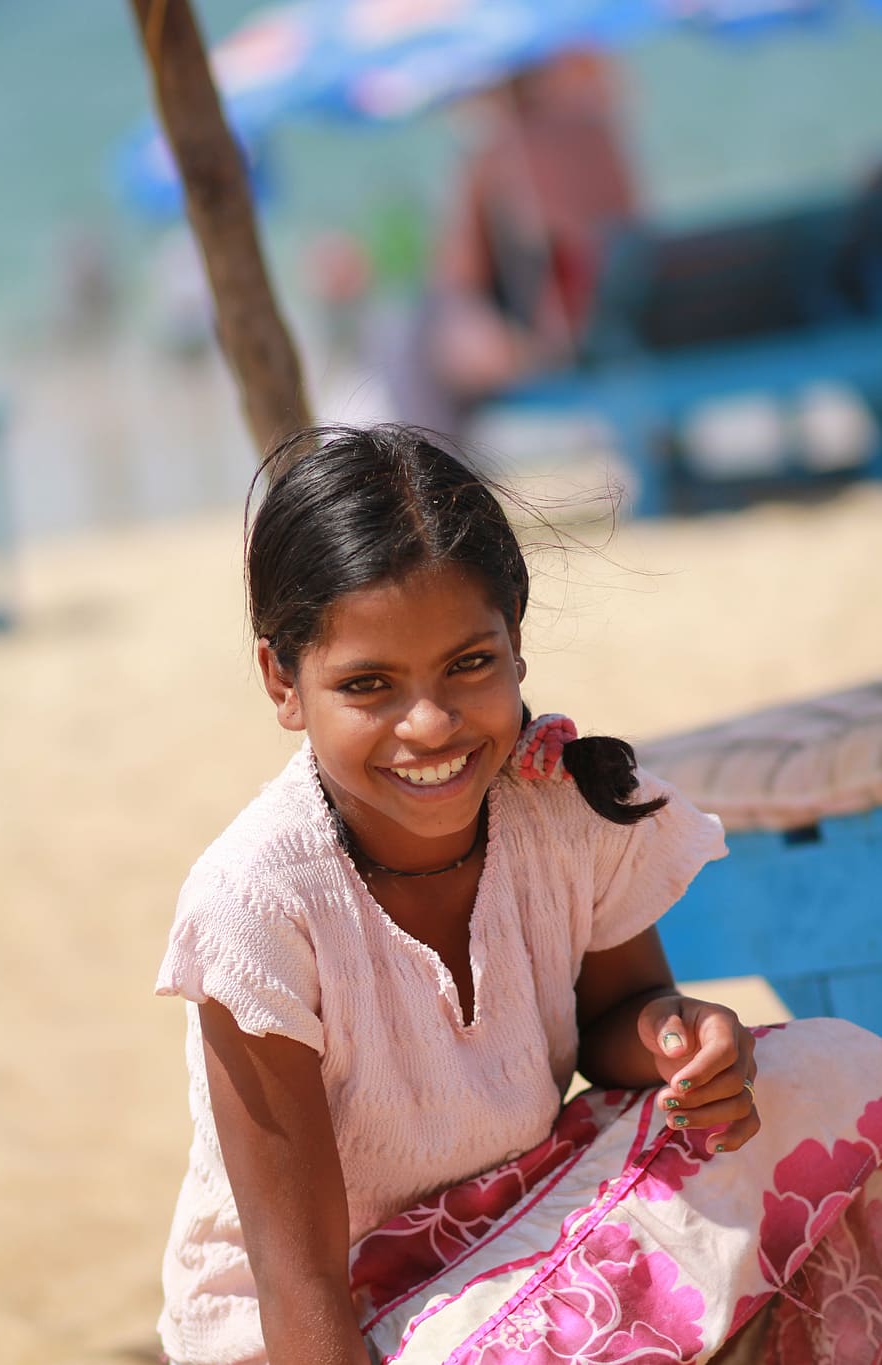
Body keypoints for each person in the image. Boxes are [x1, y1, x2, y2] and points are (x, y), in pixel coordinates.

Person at [156, 424, 882, 1364]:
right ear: (283, 681)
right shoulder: (257, 906)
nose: (430, 724)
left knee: (836, 1072)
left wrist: (684, 1041)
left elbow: (617, 1021)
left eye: (469, 664)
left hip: (517, 1224)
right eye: (369, 685)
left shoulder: (561, 805)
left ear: (516, 646)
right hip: (328, 1324)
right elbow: (298, 1285)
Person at [386, 52, 639, 435]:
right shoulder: (598, 135)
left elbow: (456, 273)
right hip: (619, 323)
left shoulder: (498, 154)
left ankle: (437, 475)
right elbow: (629, 237)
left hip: (551, 343)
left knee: (401, 335)